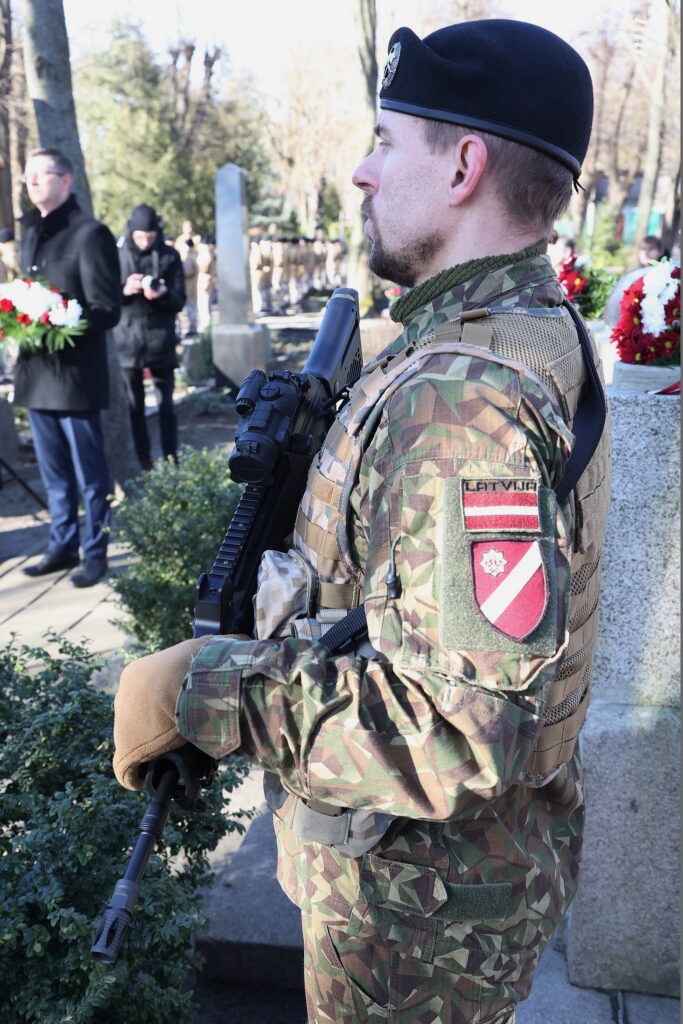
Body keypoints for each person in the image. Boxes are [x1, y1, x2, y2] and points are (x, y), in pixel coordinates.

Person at [113, 20, 611, 1023]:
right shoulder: (509, 328)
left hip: (413, 926)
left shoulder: (462, 401)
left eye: (386, 141)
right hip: (447, 895)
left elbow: (459, 734)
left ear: (463, 167)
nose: (360, 170)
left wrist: (207, 688)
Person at [16, 148, 121, 588]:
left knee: (90, 476)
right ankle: (62, 546)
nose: (31, 182)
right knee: (54, 475)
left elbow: (107, 309)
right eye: (28, 175)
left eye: (41, 174)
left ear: (66, 180)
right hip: (36, 375)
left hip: (75, 378)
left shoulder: (91, 234)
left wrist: (57, 321)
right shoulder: (29, 233)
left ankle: (94, 553)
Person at [113, 203, 185, 471]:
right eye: (140, 237)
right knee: (135, 407)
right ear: (131, 233)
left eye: (150, 237)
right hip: (127, 342)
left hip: (160, 339)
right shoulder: (118, 255)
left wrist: (164, 293)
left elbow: (180, 300)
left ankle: (171, 459)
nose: (145, 242)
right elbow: (106, 299)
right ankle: (143, 459)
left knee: (167, 405)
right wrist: (125, 290)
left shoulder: (170, 256)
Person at [603, 234, 667, 325]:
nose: (646, 253)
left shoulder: (666, 274)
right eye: (643, 249)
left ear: (661, 251)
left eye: (651, 249)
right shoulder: (631, 275)